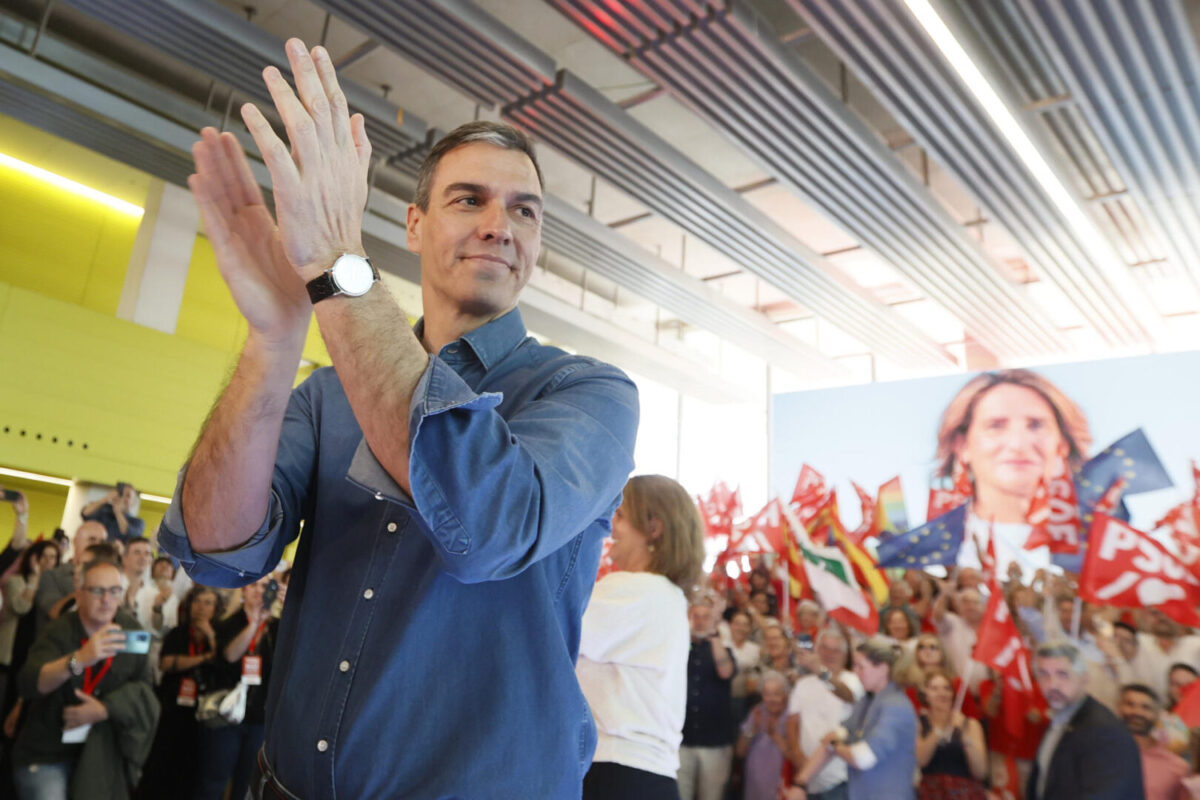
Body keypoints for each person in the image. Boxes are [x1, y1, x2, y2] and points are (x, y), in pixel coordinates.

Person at [156, 38, 638, 799]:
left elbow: (484, 526)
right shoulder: (323, 394)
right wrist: (275, 338)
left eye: (524, 210)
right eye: (468, 199)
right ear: (413, 225)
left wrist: (338, 263)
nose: (498, 224)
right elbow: (216, 551)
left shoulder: (589, 395)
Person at [576, 474, 704, 799]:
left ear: (653, 528)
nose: (609, 525)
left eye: (619, 514)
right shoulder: (665, 595)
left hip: (617, 773)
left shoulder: (638, 590)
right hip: (642, 777)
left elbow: (551, 633)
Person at [12, 554, 158, 799]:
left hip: (103, 752)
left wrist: (104, 709)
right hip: (48, 751)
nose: (106, 600)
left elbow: (144, 690)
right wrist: (79, 659)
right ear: (79, 594)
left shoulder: (131, 631)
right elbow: (29, 683)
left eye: (114, 591)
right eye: (97, 591)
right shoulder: (59, 630)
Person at [935, 369, 1091, 577]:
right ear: (962, 445)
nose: (1018, 444)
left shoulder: (1099, 546)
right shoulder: (932, 552)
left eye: (1036, 425)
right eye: (996, 426)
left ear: (1062, 444)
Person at [787, 636, 918, 800]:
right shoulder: (866, 701)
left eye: (861, 666)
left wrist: (836, 746)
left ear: (883, 668)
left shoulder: (896, 706)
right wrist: (800, 783)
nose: (855, 672)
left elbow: (863, 758)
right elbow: (833, 738)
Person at [195, 576, 280, 800]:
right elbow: (230, 655)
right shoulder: (228, 623)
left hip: (259, 718)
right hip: (226, 716)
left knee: (246, 784)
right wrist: (254, 624)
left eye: (264, 586)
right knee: (214, 780)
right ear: (243, 591)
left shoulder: (278, 627)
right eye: (253, 585)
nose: (259, 591)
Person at [137, 585, 224, 799]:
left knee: (193, 769)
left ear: (216, 609)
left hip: (203, 713)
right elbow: (166, 663)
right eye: (197, 602)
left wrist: (212, 638)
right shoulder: (179, 632)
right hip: (172, 707)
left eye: (207, 603)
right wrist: (204, 658)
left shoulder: (220, 636)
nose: (201, 608)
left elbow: (222, 662)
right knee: (161, 763)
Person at [1026, 639, 1143, 799]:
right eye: (1044, 674)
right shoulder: (1062, 719)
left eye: (1062, 674)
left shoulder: (1103, 732)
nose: (1052, 685)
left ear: (1084, 678)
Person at [785, 627, 864, 800]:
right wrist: (798, 756)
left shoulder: (854, 680)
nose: (830, 654)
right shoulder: (803, 684)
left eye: (836, 650)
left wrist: (821, 673)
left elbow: (847, 695)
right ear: (817, 650)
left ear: (845, 655)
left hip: (840, 777)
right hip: (808, 776)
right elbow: (792, 723)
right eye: (825, 648)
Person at [677, 595, 736, 800]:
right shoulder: (680, 647)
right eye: (696, 616)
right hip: (682, 739)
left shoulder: (723, 650)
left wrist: (714, 637)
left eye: (705, 617)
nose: (700, 621)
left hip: (714, 742)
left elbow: (725, 672)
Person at [2, 542, 58, 716]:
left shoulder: (54, 588)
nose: (49, 561)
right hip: (12, 649)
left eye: (53, 557)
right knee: (6, 696)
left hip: (35, 648)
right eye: (44, 556)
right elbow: (21, 607)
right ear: (34, 558)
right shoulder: (16, 581)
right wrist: (34, 579)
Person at [915, 669, 988, 800]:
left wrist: (964, 734)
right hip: (931, 792)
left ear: (953, 693)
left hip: (964, 792)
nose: (941, 693)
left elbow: (980, 771)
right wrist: (938, 729)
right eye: (934, 688)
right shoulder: (919, 723)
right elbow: (921, 761)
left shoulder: (970, 724)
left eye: (946, 688)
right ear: (925, 694)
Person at [1119, 683, 1191, 800]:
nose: (1137, 712)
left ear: (1157, 714)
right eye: (1130, 704)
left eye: (1146, 707)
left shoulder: (1178, 767)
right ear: (1118, 708)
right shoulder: (1097, 755)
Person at [34, 522, 105, 633]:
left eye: (102, 542)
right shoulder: (53, 575)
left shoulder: (108, 579)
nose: (97, 546)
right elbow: (54, 612)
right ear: (75, 542)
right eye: (92, 540)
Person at [736, 670, 789, 800]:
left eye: (776, 694)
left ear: (785, 695)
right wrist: (752, 730)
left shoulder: (791, 716)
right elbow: (739, 752)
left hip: (782, 781)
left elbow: (793, 755)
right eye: (767, 694)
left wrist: (774, 735)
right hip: (756, 780)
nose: (771, 699)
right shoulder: (757, 712)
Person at [80, 484, 144, 544]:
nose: (123, 498)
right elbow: (85, 513)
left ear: (134, 502)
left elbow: (128, 533)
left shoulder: (137, 522)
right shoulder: (104, 511)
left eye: (128, 496)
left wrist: (118, 512)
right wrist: (106, 499)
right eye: (121, 494)